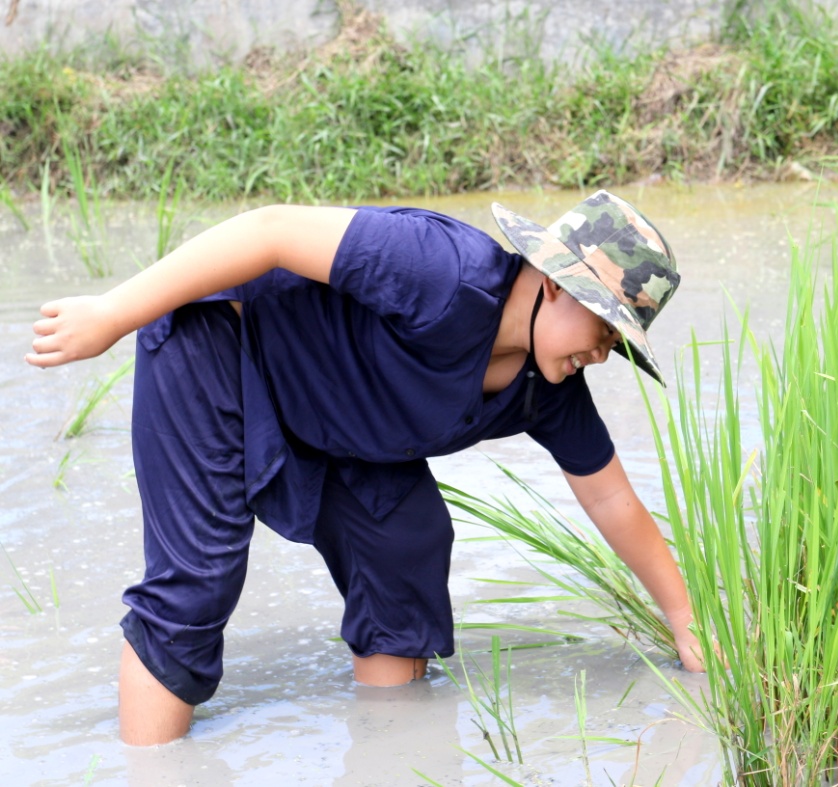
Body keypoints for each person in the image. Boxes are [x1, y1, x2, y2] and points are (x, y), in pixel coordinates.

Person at [25, 189, 704, 746]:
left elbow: (612, 499)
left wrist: (685, 621)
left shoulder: (546, 389)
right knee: (197, 585)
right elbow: (270, 230)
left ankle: (390, 754)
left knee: (406, 546)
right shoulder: (444, 272)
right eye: (606, 330)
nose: (605, 353)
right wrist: (111, 313)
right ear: (558, 288)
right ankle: (151, 767)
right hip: (220, 346)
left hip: (331, 416)